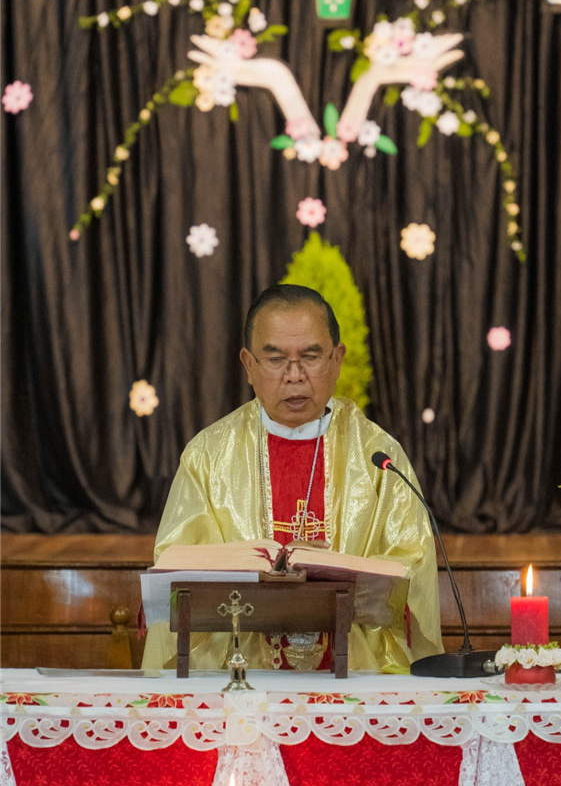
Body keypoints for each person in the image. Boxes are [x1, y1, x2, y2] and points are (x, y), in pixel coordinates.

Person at [142, 285, 442, 672]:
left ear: (337, 359)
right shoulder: (210, 456)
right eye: (276, 359)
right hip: (235, 677)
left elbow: (411, 568)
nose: (295, 376)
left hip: (354, 674)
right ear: (248, 365)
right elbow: (177, 569)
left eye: (311, 356)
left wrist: (336, 574)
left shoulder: (378, 456)